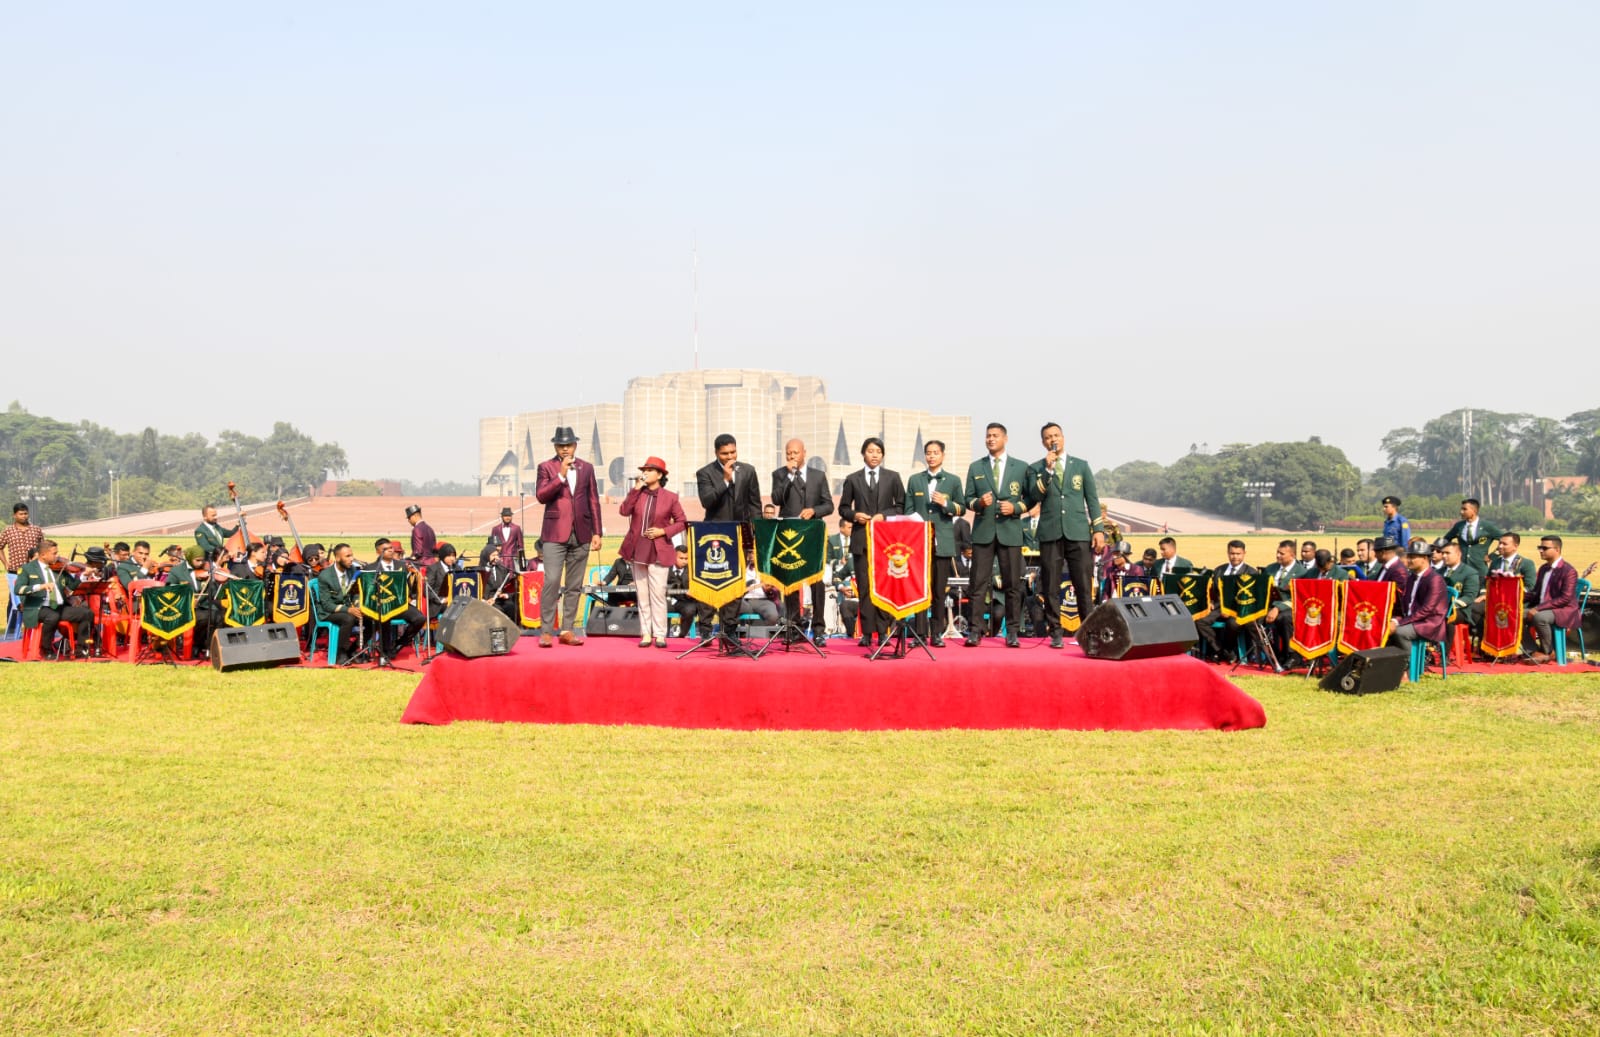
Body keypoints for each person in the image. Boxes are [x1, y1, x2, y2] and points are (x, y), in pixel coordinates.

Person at [1027, 421, 1100, 649]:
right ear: (1043, 442)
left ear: (1063, 437)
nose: (1053, 440)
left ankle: (1089, 632)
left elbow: (1092, 499)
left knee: (1082, 585)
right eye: (1048, 437)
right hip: (1050, 532)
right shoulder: (1036, 468)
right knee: (1050, 584)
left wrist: (1098, 529)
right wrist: (1048, 471)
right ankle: (1055, 631)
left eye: (1056, 435)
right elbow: (1034, 496)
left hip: (1077, 531)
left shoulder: (1081, 466)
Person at [535, 426, 605, 647]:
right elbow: (542, 495)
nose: (565, 449)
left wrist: (597, 532)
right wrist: (561, 475)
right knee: (552, 581)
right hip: (554, 533)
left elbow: (593, 500)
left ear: (575, 445)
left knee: (574, 585)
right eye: (560, 445)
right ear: (555, 446)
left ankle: (567, 630)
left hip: (582, 532)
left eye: (568, 445)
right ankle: (546, 630)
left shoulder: (587, 468)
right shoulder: (546, 467)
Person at [963, 423, 1029, 648]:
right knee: (978, 584)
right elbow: (967, 499)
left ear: (1005, 438)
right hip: (983, 532)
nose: (991, 439)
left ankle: (1012, 631)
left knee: (1012, 584)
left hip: (1010, 531)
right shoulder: (976, 467)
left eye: (995, 436)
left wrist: (1016, 508)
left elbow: (1029, 499)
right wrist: (979, 503)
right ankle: (974, 630)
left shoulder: (1020, 467)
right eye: (988, 436)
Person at [695, 432, 763, 642]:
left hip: (740, 533)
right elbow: (707, 501)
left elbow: (754, 504)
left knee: (735, 583)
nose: (730, 457)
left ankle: (730, 629)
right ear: (716, 453)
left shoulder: (748, 471)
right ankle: (705, 630)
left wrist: (755, 535)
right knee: (709, 580)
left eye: (733, 452)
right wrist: (724, 481)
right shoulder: (705, 473)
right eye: (725, 453)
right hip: (713, 533)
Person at [838, 437, 905, 647]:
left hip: (886, 542)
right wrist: (854, 515)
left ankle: (884, 630)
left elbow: (902, 506)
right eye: (870, 451)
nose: (874, 454)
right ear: (863, 454)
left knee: (884, 587)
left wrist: (884, 516)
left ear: (883, 455)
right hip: (861, 540)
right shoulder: (852, 479)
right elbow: (843, 508)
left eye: (878, 451)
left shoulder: (893, 478)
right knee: (865, 587)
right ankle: (867, 632)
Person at [619, 456, 688, 648]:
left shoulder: (670, 497)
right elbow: (624, 511)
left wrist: (663, 531)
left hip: (659, 550)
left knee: (657, 594)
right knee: (642, 594)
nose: (645, 473)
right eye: (644, 470)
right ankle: (645, 633)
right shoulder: (637, 494)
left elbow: (682, 522)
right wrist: (635, 489)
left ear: (659, 474)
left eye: (649, 470)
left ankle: (659, 634)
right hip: (637, 549)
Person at [771, 439, 835, 642]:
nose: (792, 456)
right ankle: (793, 626)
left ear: (804, 453)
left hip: (812, 533)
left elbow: (829, 505)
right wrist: (788, 477)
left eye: (795, 453)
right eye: (789, 453)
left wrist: (814, 510)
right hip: (790, 534)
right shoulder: (779, 474)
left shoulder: (818, 476)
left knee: (816, 582)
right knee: (790, 582)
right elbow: (776, 499)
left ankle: (818, 630)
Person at [904, 439, 965, 646]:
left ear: (943, 455)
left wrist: (946, 503)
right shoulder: (914, 480)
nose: (931, 456)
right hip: (919, 543)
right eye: (928, 453)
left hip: (943, 542)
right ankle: (920, 633)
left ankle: (937, 633)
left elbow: (962, 508)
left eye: (935, 452)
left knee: (939, 590)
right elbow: (907, 509)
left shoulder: (954, 480)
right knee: (920, 589)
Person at [15, 539, 93, 658]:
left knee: (86, 613)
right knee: (52, 616)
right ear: (43, 555)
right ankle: (46, 649)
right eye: (54, 553)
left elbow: (71, 586)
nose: (58, 556)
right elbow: (18, 589)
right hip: (38, 607)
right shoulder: (27, 568)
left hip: (59, 606)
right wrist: (40, 587)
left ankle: (81, 649)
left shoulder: (58, 568)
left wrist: (83, 576)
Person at [1195, 540, 1256, 661]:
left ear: (1244, 553)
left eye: (1238, 554)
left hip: (1239, 608)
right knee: (1199, 621)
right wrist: (1210, 602)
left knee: (1232, 624)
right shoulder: (1219, 570)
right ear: (1228, 553)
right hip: (1219, 607)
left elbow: (1250, 597)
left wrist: (1231, 610)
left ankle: (1229, 649)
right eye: (1232, 553)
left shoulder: (1251, 572)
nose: (1235, 557)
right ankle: (1220, 650)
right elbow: (1212, 591)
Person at [1524, 535, 1579, 663]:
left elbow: (1565, 598)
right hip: (1544, 608)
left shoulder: (1569, 571)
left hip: (1563, 610)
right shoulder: (1544, 568)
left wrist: (1538, 608)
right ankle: (1532, 650)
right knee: (1513, 615)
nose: (1541, 550)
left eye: (1544, 548)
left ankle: (1548, 652)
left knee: (1540, 617)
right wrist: (1516, 597)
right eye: (1539, 547)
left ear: (1557, 549)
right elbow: (1535, 593)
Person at [1390, 540, 1448, 656]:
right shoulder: (1411, 577)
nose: (1409, 560)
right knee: (1384, 628)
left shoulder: (1434, 579)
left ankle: (1409, 665)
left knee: (1399, 632)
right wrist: (1395, 620)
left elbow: (1427, 610)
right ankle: (1391, 665)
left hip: (1429, 623)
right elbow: (1406, 605)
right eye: (1408, 557)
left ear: (1425, 558)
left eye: (1413, 557)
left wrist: (1400, 623)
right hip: (1413, 619)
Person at [167, 545, 225, 651]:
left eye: (202, 560)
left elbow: (215, 593)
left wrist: (213, 581)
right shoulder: (177, 571)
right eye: (197, 560)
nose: (200, 563)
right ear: (189, 558)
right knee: (207, 618)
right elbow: (170, 589)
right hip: (185, 608)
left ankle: (209, 646)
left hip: (205, 605)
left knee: (220, 615)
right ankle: (195, 644)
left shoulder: (207, 569)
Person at [314, 543, 365, 661]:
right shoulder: (325, 576)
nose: (351, 559)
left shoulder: (353, 570)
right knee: (348, 619)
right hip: (329, 612)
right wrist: (348, 610)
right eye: (347, 556)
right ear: (337, 558)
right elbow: (327, 605)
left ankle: (353, 651)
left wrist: (357, 605)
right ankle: (340, 653)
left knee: (372, 616)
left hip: (348, 609)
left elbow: (355, 592)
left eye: (352, 555)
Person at [1262, 540, 1306, 657]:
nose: (1278, 556)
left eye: (1282, 554)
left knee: (1283, 619)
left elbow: (1299, 597)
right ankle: (1269, 652)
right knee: (1252, 620)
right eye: (1277, 552)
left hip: (1289, 607)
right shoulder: (1270, 569)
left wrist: (1278, 608)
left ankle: (1290, 655)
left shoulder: (1302, 573)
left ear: (1292, 555)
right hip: (1268, 605)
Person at [1441, 498, 1502, 575]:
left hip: (1479, 568)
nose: (1461, 512)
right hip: (1461, 567)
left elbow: (1505, 540)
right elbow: (1446, 539)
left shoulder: (1487, 526)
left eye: (1464, 509)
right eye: (1461, 509)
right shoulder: (1459, 526)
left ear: (1474, 510)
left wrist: (1493, 555)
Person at [1438, 542, 1480, 631]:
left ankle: (1446, 645)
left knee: (1447, 619)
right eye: (1442, 553)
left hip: (1460, 610)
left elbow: (1469, 597)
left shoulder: (1470, 573)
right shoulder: (1437, 572)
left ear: (1458, 554)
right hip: (1437, 608)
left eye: (1447, 553)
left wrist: (1450, 606)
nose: (1444, 556)